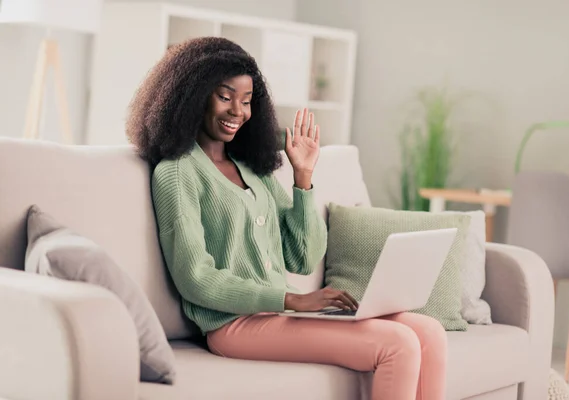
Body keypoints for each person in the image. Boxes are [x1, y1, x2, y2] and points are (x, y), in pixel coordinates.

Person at [126, 36, 447, 400]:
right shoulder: (177, 172)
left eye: (247, 101)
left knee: (429, 332)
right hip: (235, 324)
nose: (237, 111)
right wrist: (291, 301)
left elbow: (301, 256)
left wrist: (303, 178)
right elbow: (196, 278)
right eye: (225, 96)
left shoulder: (252, 170)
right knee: (398, 343)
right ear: (193, 95)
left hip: (280, 314)